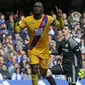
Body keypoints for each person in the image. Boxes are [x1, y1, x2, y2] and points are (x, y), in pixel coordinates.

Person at [15, 1, 64, 85]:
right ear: (33, 9)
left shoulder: (48, 19)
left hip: (44, 51)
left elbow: (60, 27)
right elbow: (17, 30)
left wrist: (60, 18)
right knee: (34, 69)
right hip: (33, 49)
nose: (37, 8)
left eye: (39, 6)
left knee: (43, 73)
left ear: (42, 9)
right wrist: (15, 22)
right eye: (35, 6)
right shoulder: (27, 20)